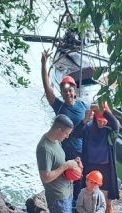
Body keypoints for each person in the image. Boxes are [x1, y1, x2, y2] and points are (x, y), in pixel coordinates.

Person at [36, 114, 81, 213]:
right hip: (57, 194)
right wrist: (65, 166)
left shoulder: (56, 141)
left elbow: (59, 163)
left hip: (65, 189)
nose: (67, 136)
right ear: (59, 130)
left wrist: (73, 165)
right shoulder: (45, 148)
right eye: (66, 133)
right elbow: (45, 177)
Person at [40, 52, 88, 199]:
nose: (68, 93)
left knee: (80, 179)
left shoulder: (83, 106)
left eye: (70, 90)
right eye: (64, 91)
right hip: (64, 150)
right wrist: (43, 65)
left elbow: (95, 114)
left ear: (75, 92)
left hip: (81, 149)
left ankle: (77, 204)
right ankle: (66, 203)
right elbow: (47, 88)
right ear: (61, 93)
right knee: (65, 180)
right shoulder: (59, 106)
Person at [81, 104, 120, 213]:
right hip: (91, 166)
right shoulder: (89, 127)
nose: (102, 123)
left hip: (106, 168)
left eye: (104, 121)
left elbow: (116, 124)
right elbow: (77, 132)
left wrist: (102, 110)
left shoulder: (110, 130)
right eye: (99, 121)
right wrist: (85, 119)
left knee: (107, 203)